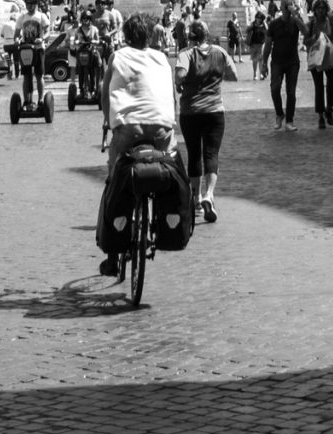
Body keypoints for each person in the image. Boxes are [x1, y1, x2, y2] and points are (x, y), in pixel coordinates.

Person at [97, 14, 180, 275]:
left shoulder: (117, 57)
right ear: (149, 37)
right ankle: (163, 222)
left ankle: (112, 257)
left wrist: (108, 122)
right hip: (161, 126)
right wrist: (170, 125)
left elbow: (105, 93)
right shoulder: (162, 59)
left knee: (114, 181)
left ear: (125, 36)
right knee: (170, 165)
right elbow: (173, 98)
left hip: (128, 127)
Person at [179, 18, 239, 221]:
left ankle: (195, 198)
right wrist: (215, 75)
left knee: (194, 154)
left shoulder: (186, 54)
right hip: (214, 110)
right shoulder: (220, 53)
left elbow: (180, 74)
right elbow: (234, 75)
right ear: (207, 35)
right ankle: (209, 195)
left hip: (191, 111)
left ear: (191, 37)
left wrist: (183, 83)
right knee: (211, 154)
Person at [267, 0, 304, 129]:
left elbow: (305, 31)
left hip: (292, 62)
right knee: (275, 89)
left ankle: (289, 120)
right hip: (277, 61)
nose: (287, 9)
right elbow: (268, 43)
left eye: (289, 6)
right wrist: (264, 63)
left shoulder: (295, 22)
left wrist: (296, 15)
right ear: (281, 8)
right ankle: (279, 114)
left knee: (291, 92)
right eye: (285, 6)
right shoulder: (274, 24)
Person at [305, 2, 333, 129]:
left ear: (326, 10)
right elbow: (305, 41)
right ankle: (320, 116)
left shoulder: (331, 22)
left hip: (329, 58)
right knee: (319, 87)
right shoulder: (311, 24)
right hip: (316, 59)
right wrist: (313, 38)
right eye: (318, 8)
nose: (321, 11)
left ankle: (329, 108)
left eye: (323, 8)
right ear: (315, 10)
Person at [17, 0, 49, 112]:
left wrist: (42, 39)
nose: (29, 6)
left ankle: (40, 99)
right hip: (26, 49)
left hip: (38, 48)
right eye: (28, 4)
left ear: (36, 4)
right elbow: (17, 33)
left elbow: (47, 32)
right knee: (26, 76)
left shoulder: (41, 16)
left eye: (32, 4)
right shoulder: (22, 17)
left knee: (39, 74)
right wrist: (17, 39)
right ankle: (27, 100)